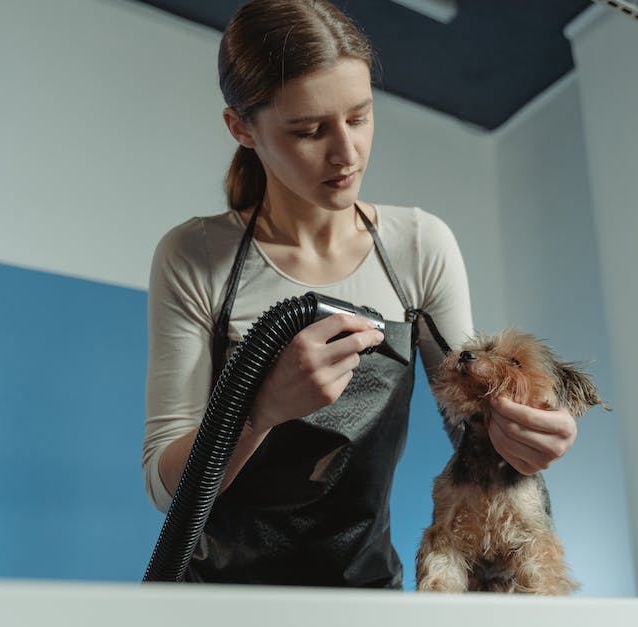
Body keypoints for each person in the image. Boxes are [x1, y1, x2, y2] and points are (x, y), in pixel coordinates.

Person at [142, 0, 578, 588]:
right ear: (241, 128)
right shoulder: (194, 257)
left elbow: (467, 426)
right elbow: (168, 490)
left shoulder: (419, 245)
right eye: (308, 130)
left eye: (360, 116)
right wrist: (263, 408)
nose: (347, 155)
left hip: (365, 591)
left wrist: (528, 435)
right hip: (220, 599)